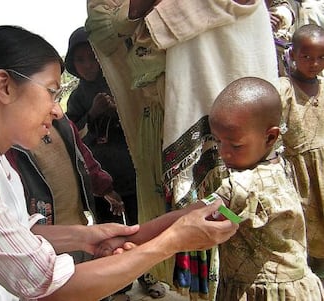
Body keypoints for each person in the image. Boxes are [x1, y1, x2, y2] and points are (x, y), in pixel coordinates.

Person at [0, 25, 238, 301]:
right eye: (52, 92)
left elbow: (20, 234)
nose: (57, 109)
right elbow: (47, 286)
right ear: (5, 86)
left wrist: (87, 237)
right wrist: (174, 240)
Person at [86, 0, 278, 299]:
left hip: (224, 102)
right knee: (190, 228)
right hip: (159, 117)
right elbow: (101, 30)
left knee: (237, 218)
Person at [65, 26, 164, 300]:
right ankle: (118, 285)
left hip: (129, 168)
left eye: (92, 57)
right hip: (99, 179)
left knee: (138, 226)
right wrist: (92, 113)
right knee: (107, 234)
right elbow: (72, 135)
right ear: (73, 65)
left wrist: (118, 109)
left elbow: (138, 119)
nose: (87, 65)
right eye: (80, 60)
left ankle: (148, 276)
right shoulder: (76, 98)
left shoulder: (122, 84)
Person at [208, 76, 324, 300]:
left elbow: (193, 215)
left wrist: (136, 237)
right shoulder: (282, 164)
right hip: (298, 289)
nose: (223, 153)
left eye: (235, 145)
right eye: (217, 141)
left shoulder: (239, 187)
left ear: (271, 136)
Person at [6, 108, 125, 264]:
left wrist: (105, 188)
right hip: (44, 247)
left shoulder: (62, 125)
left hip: (80, 234)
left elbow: (84, 160)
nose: (57, 110)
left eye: (57, 95)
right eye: (50, 91)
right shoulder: (8, 144)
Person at [279, 23, 324, 283]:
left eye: (320, 57)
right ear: (292, 54)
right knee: (305, 234)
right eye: (306, 56)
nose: (314, 63)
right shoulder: (284, 88)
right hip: (300, 177)